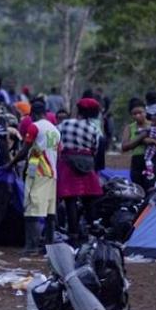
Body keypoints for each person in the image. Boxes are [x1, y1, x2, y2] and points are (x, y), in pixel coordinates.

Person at [6, 99, 60, 256]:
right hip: (52, 172)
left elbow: (25, 150)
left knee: (32, 209)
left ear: (34, 114)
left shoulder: (34, 127)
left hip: (38, 171)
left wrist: (10, 164)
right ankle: (49, 247)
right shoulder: (55, 130)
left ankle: (31, 247)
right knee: (50, 211)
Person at [57, 99, 104, 245]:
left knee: (70, 199)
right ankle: (91, 229)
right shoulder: (93, 128)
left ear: (78, 110)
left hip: (67, 163)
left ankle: (73, 233)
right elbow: (95, 148)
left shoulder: (64, 124)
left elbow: (57, 140)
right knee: (89, 198)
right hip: (86, 163)